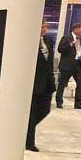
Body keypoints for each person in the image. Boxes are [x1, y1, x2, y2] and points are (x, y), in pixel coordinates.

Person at [27, 20, 57, 152]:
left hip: (47, 82)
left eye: (46, 26)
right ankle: (29, 142)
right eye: (43, 26)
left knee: (45, 110)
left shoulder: (48, 40)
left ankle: (25, 131)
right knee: (31, 113)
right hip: (33, 82)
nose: (45, 28)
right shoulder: (28, 41)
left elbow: (49, 62)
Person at [56, 22, 81, 110]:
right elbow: (60, 49)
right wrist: (70, 45)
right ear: (76, 29)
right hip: (67, 65)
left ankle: (78, 103)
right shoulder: (66, 37)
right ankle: (59, 102)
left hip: (79, 65)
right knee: (62, 84)